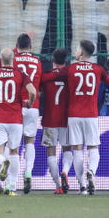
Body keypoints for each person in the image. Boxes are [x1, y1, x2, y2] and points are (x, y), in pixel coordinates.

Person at [55, 39, 109, 195]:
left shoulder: (70, 68)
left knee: (77, 150)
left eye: (77, 49)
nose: (75, 52)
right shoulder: (98, 69)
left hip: (74, 115)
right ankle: (92, 172)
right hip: (91, 114)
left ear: (81, 53)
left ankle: (82, 186)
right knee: (93, 147)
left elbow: (56, 74)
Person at [0, 48, 36, 196]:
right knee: (14, 152)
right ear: (13, 59)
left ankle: (1, 163)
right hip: (15, 119)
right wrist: (30, 103)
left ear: (0, 59)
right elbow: (33, 91)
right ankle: (11, 187)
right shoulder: (21, 74)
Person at [40, 47, 73, 194]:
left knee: (51, 154)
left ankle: (58, 185)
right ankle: (65, 171)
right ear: (66, 61)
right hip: (66, 119)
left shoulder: (46, 76)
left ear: (52, 60)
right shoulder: (70, 76)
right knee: (67, 149)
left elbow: (37, 93)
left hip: (49, 119)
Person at [12, 33, 42, 194]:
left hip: (15, 105)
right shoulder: (37, 61)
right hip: (33, 105)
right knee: (29, 141)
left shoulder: (13, 59)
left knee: (13, 144)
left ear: (16, 47)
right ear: (31, 47)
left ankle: (12, 181)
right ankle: (28, 172)